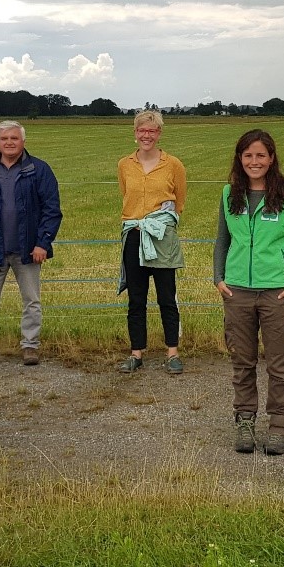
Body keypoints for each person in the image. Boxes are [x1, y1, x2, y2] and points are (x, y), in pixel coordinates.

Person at [214, 130, 284, 456]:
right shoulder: (230, 194)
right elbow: (222, 241)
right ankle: (244, 420)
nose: (254, 161)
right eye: (248, 156)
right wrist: (219, 278)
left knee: (279, 364)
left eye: (260, 155)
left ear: (271, 159)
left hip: (276, 293)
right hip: (237, 291)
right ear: (240, 160)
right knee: (242, 361)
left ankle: (280, 425)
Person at [0, 121, 63, 367]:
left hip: (28, 250)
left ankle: (30, 347)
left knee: (31, 300)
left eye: (14, 138)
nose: (9, 142)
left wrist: (42, 243)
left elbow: (52, 210)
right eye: (4, 138)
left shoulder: (39, 170)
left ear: (23, 141)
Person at [117, 109, 187, 374]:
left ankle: (172, 353)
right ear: (135, 134)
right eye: (142, 130)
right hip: (134, 236)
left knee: (166, 296)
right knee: (136, 298)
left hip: (161, 236)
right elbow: (125, 194)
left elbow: (179, 201)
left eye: (152, 130)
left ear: (159, 133)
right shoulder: (124, 165)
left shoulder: (173, 165)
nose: (147, 135)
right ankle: (136, 353)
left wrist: (160, 224)